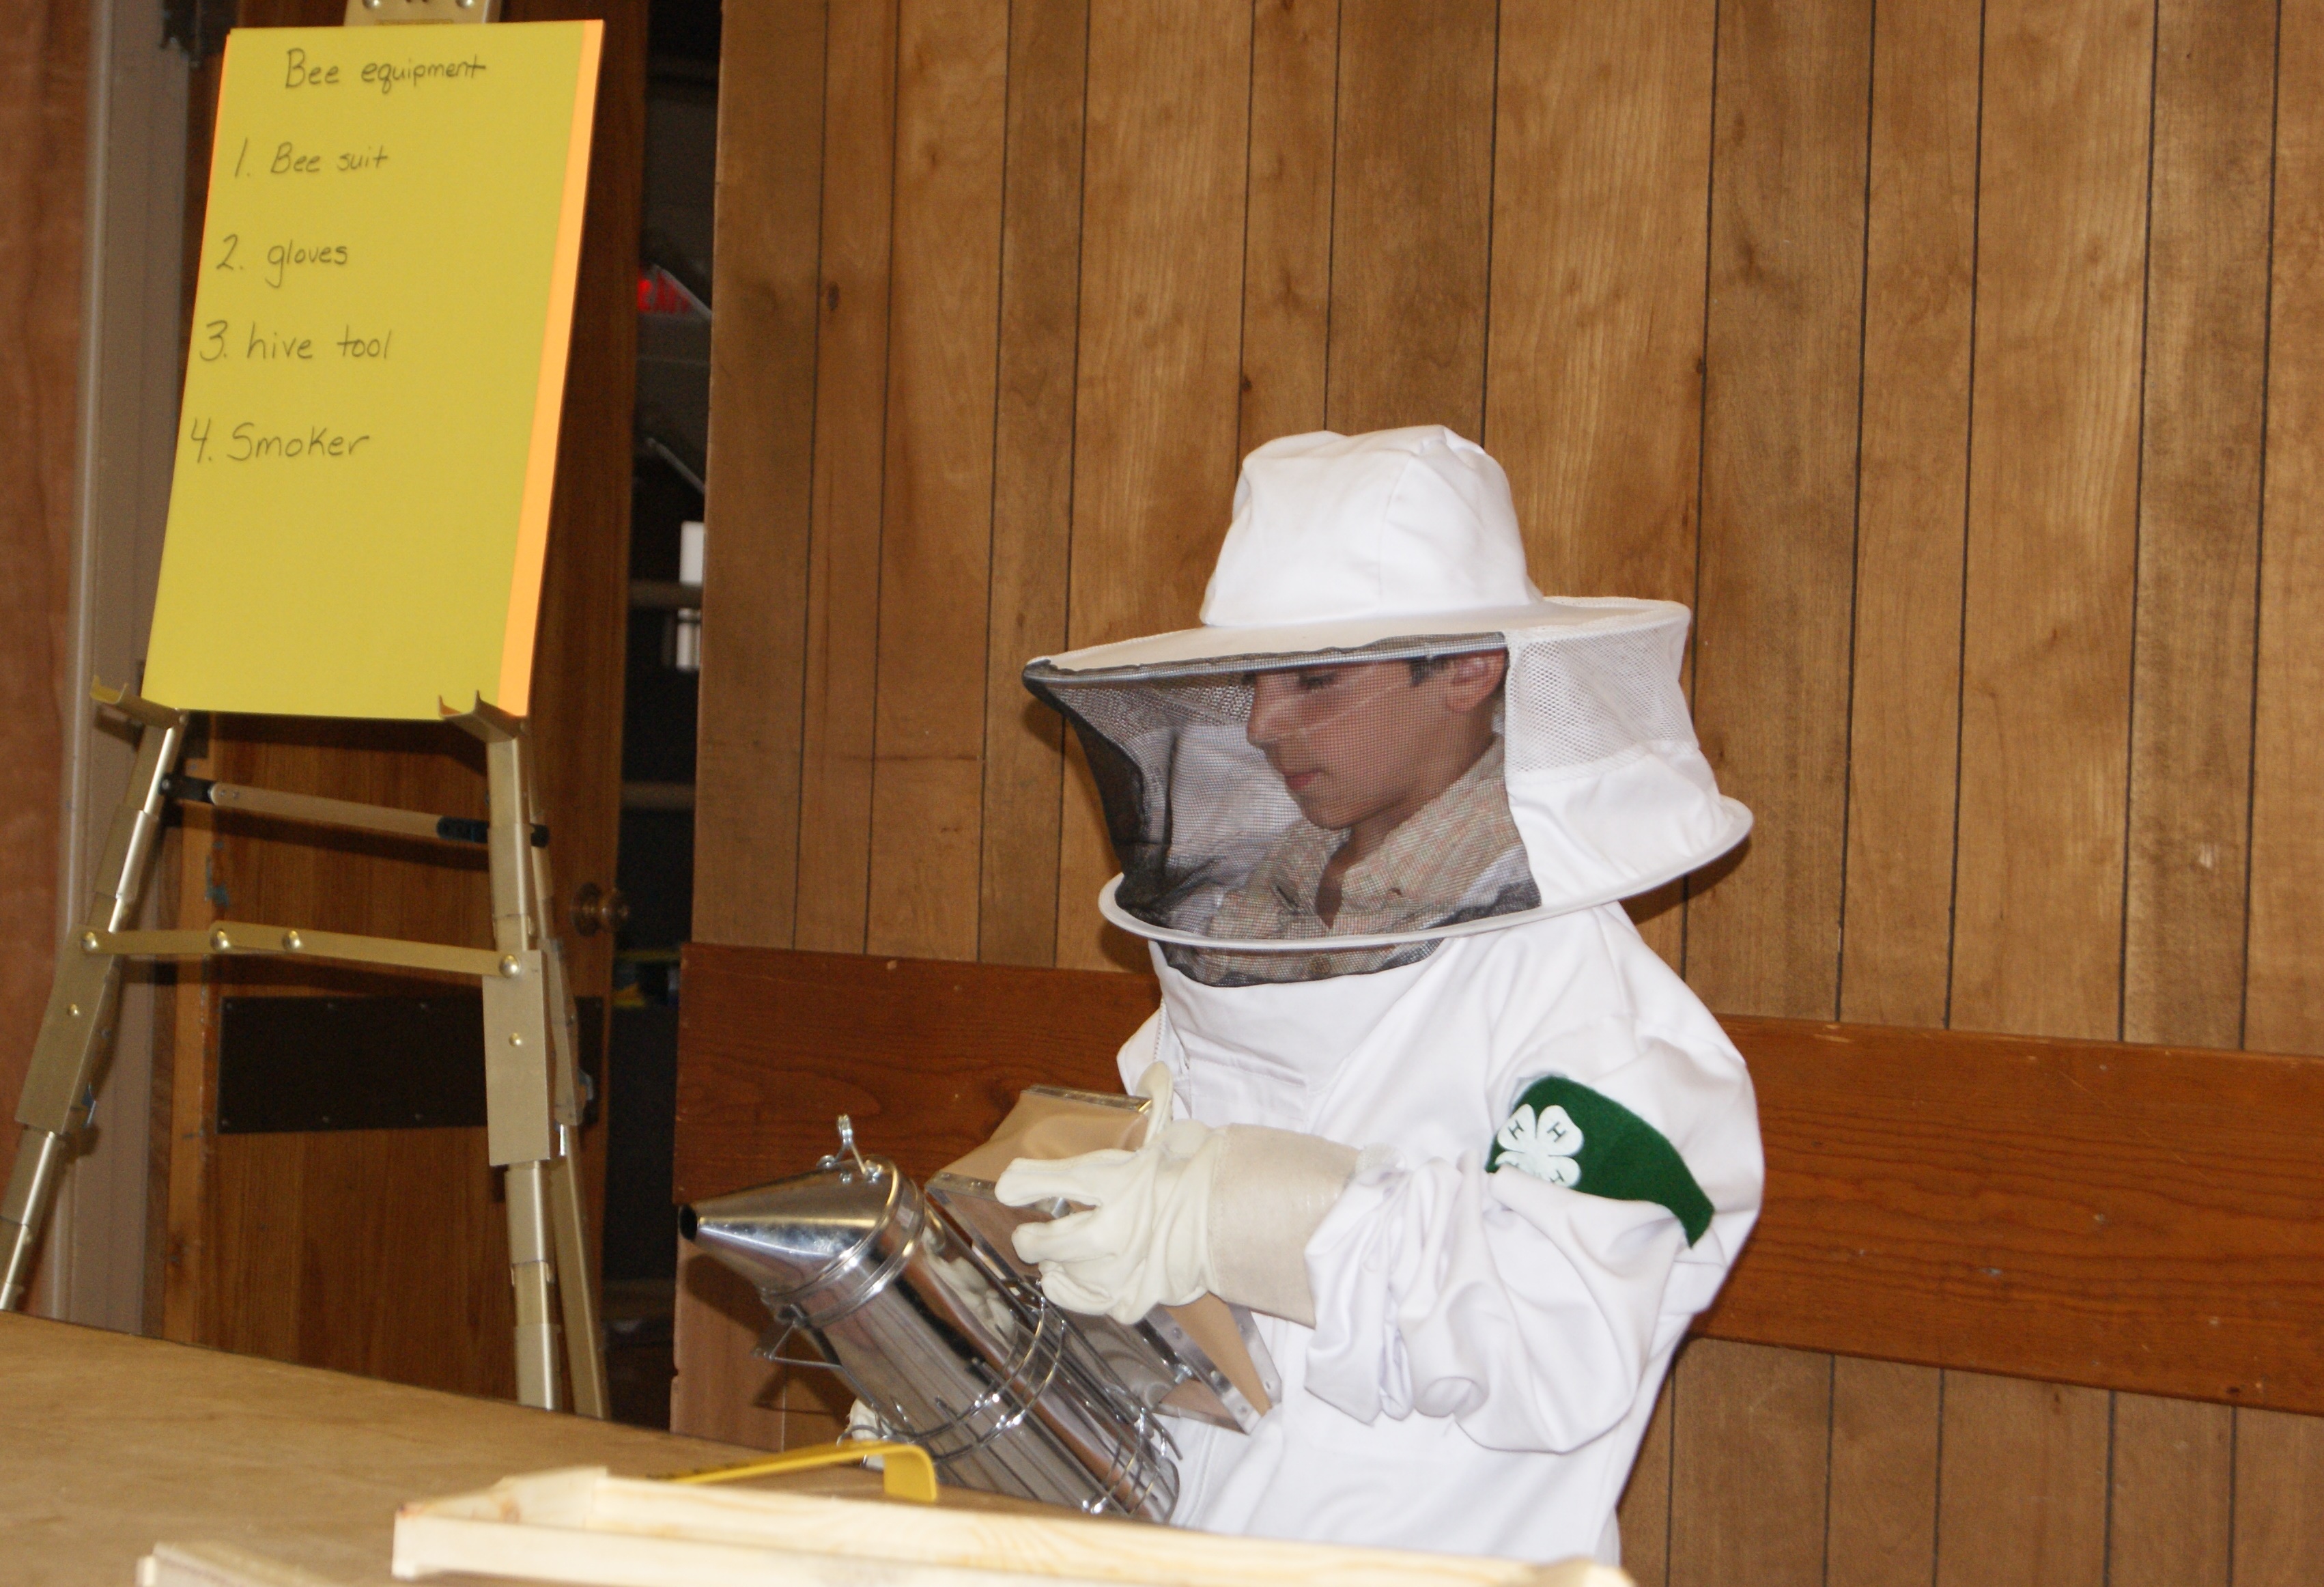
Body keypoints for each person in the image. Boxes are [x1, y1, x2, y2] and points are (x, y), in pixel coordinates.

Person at [995, 425, 1763, 1567]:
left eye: (1314, 679)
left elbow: (1557, 1352)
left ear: (1467, 669)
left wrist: (1249, 1213)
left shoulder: (1601, 1023)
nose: (1263, 724)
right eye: (1255, 678)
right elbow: (1211, 1349)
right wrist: (991, 1368)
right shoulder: (1252, 938)